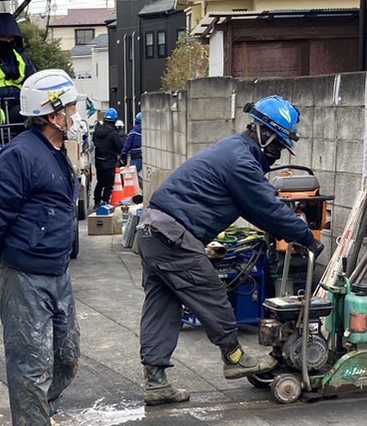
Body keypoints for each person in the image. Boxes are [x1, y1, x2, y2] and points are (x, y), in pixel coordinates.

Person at [137, 96, 322, 405]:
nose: (277, 155)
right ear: (264, 135)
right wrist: (308, 238)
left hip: (152, 232)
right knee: (211, 293)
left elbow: (254, 209)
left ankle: (156, 383)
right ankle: (234, 357)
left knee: (163, 305)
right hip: (172, 235)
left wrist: (277, 231)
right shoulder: (242, 161)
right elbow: (269, 207)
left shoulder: (233, 151)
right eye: (278, 146)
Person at [0, 68, 84, 426]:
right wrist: (1, 259)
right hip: (25, 271)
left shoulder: (56, 152)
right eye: (71, 107)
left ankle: (42, 415)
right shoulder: (19, 156)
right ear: (53, 114)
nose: (76, 114)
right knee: (30, 360)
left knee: (67, 355)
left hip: (57, 270)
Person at [93, 106, 126, 211]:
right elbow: (119, 147)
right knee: (109, 184)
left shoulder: (97, 131)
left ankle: (97, 202)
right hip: (109, 162)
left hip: (99, 160)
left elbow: (94, 142)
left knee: (99, 182)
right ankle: (105, 201)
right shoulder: (113, 133)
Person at [122, 111, 143, 178]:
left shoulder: (133, 132)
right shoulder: (148, 131)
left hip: (135, 156)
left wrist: (123, 155)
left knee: (134, 176)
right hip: (146, 157)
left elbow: (127, 146)